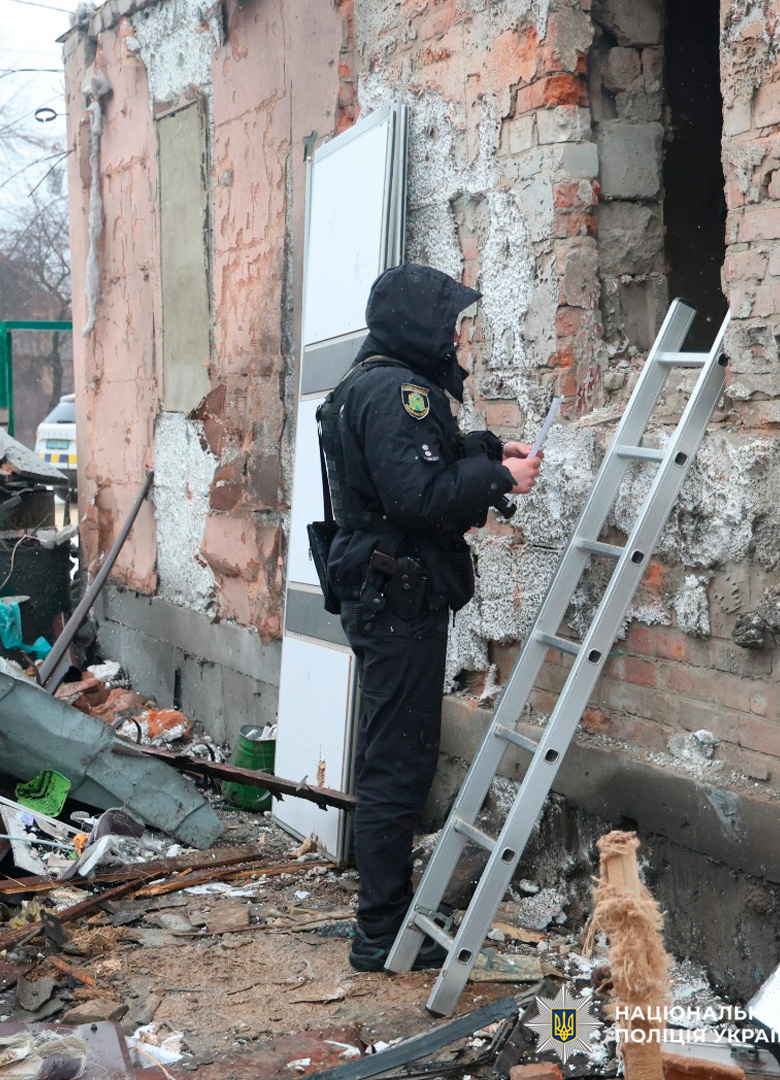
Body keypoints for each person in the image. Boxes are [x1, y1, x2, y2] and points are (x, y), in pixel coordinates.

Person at [319, 263, 543, 972]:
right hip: (396, 596)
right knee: (397, 764)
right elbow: (417, 496)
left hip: (386, 589)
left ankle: (383, 918)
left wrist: (487, 451)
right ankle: (380, 933)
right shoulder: (397, 391)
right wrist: (500, 477)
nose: (453, 337)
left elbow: (408, 470)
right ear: (416, 325)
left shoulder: (370, 382)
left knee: (395, 754)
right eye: (446, 324)